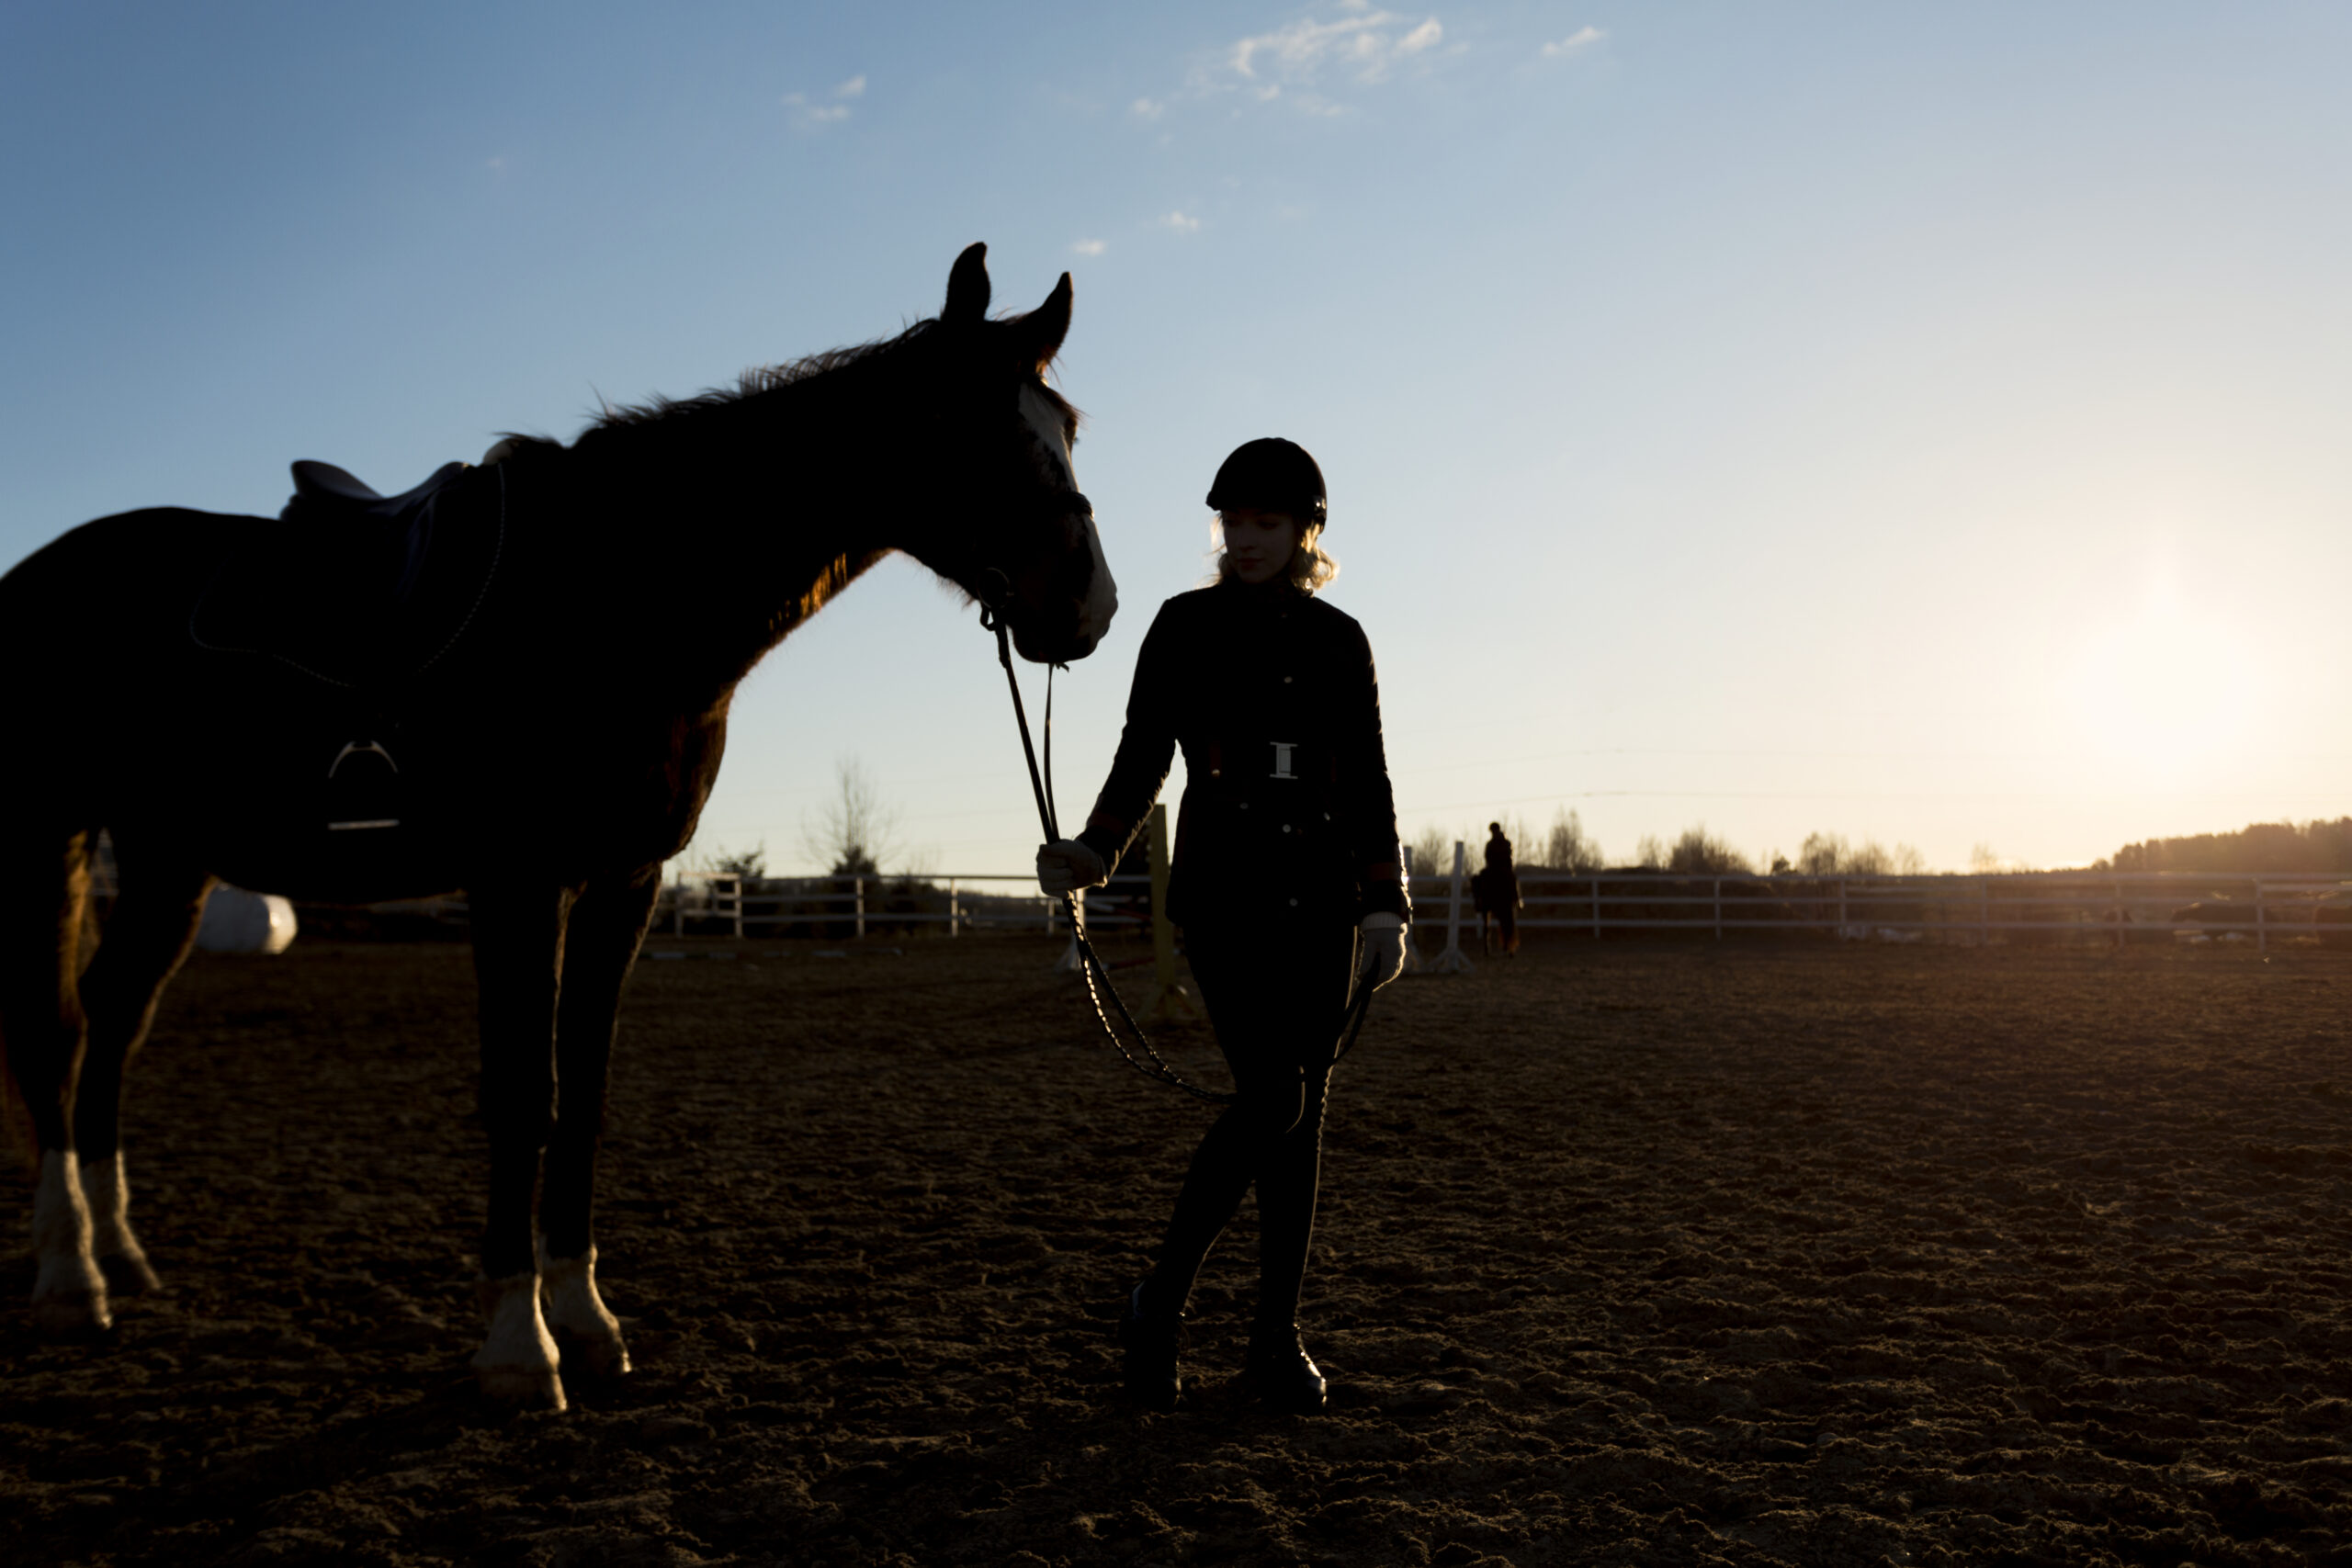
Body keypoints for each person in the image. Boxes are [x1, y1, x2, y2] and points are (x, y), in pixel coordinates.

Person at [1036, 437, 1410, 1415]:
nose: (1243, 539)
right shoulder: (1181, 627)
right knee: (1274, 1099)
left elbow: (1367, 778)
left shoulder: (1343, 641)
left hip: (1324, 905)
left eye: (1266, 523)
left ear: (1305, 532)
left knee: (1301, 1118)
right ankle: (1158, 1304)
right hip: (1225, 901)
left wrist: (1384, 900)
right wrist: (1092, 851)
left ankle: (1273, 1343)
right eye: (1231, 521)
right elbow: (1140, 757)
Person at [1475, 820, 1521, 955]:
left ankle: (1516, 898)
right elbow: (1490, 858)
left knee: (1510, 879)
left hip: (1499, 869)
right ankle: (1481, 900)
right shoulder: (1499, 843)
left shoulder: (1501, 843)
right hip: (1497, 869)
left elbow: (1505, 858)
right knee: (1480, 879)